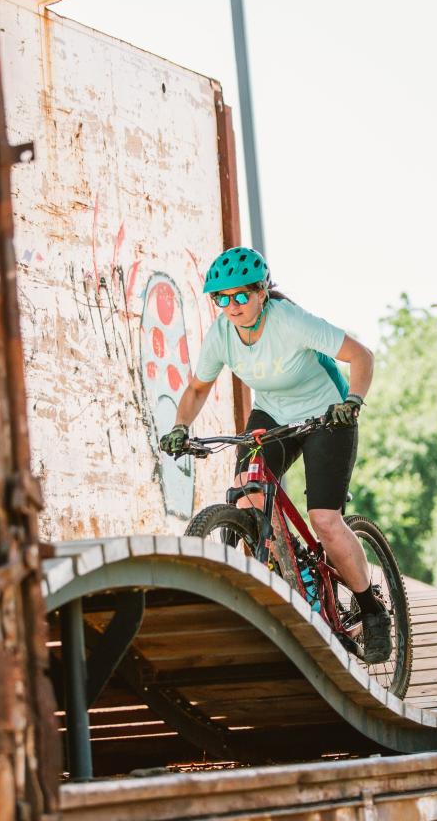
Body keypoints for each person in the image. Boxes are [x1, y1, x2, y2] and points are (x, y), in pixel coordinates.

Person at [159, 247, 391, 663]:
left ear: (261, 292)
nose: (232, 306)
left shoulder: (290, 322)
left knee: (324, 519)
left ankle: (371, 609)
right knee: (246, 495)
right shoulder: (222, 335)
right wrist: (180, 427)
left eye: (240, 296)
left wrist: (352, 400)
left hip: (326, 414)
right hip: (273, 415)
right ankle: (287, 569)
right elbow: (196, 390)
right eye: (221, 298)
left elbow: (361, 356)